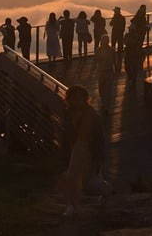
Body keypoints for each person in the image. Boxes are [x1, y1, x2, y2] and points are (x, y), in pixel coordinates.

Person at [60, 85, 105, 217]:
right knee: (71, 177)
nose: (75, 101)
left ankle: (105, 192)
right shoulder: (68, 114)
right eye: (73, 98)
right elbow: (65, 135)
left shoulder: (92, 115)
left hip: (88, 148)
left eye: (78, 98)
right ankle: (72, 205)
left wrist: (99, 156)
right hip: (76, 148)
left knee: (88, 178)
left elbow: (99, 137)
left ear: (84, 99)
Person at [95, 34, 116, 113]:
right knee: (101, 89)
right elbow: (96, 60)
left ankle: (106, 105)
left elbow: (114, 60)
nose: (105, 42)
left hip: (109, 71)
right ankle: (104, 103)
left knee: (108, 90)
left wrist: (116, 69)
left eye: (106, 40)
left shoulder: (111, 50)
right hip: (101, 71)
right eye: (104, 40)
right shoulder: (98, 50)